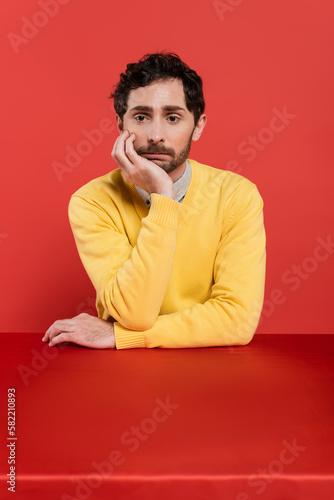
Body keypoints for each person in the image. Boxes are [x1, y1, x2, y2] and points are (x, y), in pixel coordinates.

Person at [42, 52, 266, 350]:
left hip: (212, 369)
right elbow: (135, 314)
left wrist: (122, 336)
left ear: (197, 126)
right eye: (141, 117)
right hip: (120, 373)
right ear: (121, 124)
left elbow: (236, 320)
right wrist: (164, 195)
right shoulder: (92, 201)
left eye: (173, 118)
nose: (156, 135)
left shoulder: (236, 195)